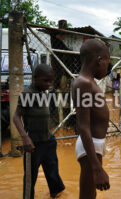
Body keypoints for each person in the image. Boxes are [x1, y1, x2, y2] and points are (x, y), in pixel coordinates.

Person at [13, 64, 65, 199]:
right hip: (33, 143)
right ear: (35, 78)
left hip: (48, 139)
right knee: (31, 175)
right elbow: (16, 116)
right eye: (45, 80)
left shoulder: (42, 91)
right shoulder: (27, 93)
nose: (49, 84)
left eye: (51, 81)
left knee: (52, 169)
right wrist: (24, 138)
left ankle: (56, 193)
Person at [71, 39, 110, 199]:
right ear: (99, 60)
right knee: (87, 196)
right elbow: (83, 126)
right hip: (90, 147)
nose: (108, 67)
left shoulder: (88, 82)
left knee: (91, 194)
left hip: (94, 145)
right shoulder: (84, 83)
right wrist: (97, 168)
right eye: (108, 61)